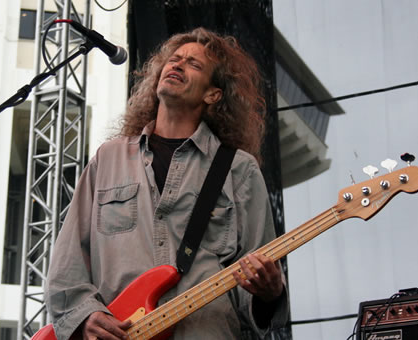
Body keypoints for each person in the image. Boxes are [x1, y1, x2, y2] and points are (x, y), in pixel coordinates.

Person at [44, 27, 288, 340]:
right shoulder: (109, 158)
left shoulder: (238, 169)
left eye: (194, 65)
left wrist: (269, 294)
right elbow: (69, 263)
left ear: (212, 94)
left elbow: (254, 278)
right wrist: (84, 316)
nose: (177, 65)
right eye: (174, 59)